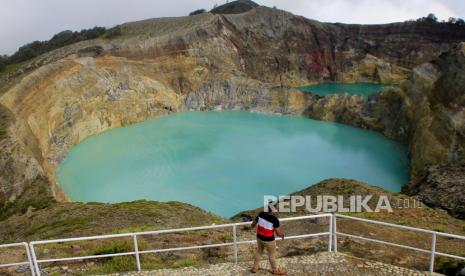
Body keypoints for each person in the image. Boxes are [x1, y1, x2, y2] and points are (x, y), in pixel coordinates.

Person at [250, 202, 287, 275]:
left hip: (259, 237)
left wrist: (254, 226)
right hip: (269, 240)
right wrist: (282, 235)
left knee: (259, 251)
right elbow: (278, 233)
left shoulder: (261, 214)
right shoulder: (274, 219)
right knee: (271, 255)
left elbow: (253, 224)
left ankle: (255, 267)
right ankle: (275, 270)